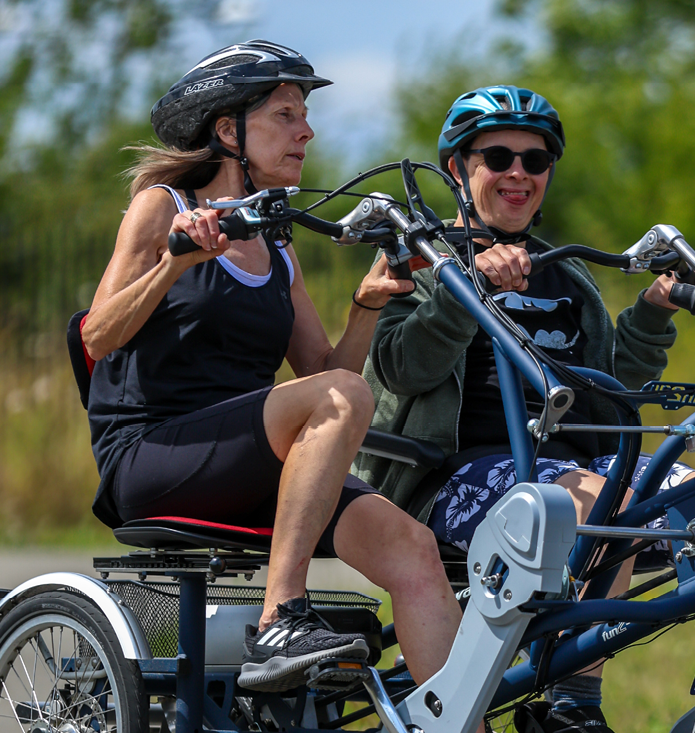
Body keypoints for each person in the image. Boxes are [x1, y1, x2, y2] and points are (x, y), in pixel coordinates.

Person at [354, 85, 695, 733]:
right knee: (604, 497)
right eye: (497, 156)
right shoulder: (423, 263)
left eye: (535, 161)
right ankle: (571, 707)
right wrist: (470, 288)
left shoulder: (565, 276)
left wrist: (652, 312)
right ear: (459, 168)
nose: (518, 172)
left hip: (573, 468)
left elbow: (610, 388)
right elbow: (402, 368)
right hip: (455, 479)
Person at [82, 40, 460, 694]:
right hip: (152, 453)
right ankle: (281, 616)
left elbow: (323, 369)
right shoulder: (163, 206)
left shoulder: (276, 240)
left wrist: (367, 303)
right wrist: (174, 263)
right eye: (285, 114)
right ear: (228, 130)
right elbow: (99, 336)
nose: (306, 130)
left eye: (304, 116)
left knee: (413, 549)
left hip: (245, 460)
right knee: (337, 396)